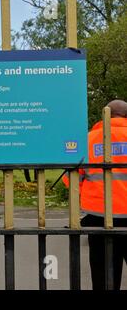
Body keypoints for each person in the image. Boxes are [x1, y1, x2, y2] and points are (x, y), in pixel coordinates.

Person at [63, 99, 127, 290]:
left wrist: (89, 195)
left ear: (104, 115)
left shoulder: (89, 139)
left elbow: (71, 179)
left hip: (98, 216)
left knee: (103, 276)